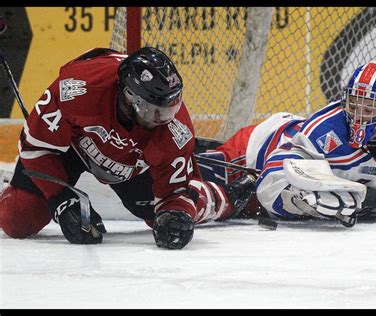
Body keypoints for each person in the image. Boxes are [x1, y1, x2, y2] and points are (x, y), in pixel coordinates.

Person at [0, 47, 252, 249]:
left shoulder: (174, 131)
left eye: (171, 108)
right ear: (130, 97)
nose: (166, 118)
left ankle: (223, 197)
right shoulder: (76, 90)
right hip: (71, 148)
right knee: (17, 219)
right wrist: (61, 199)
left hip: (133, 165)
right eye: (157, 110)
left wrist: (177, 213)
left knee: (166, 221)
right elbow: (36, 149)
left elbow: (173, 194)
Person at [197, 60, 376, 226]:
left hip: (288, 150)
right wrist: (304, 202)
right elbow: (269, 184)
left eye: (370, 106)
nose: (358, 114)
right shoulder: (324, 131)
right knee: (198, 183)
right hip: (255, 151)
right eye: (354, 103)